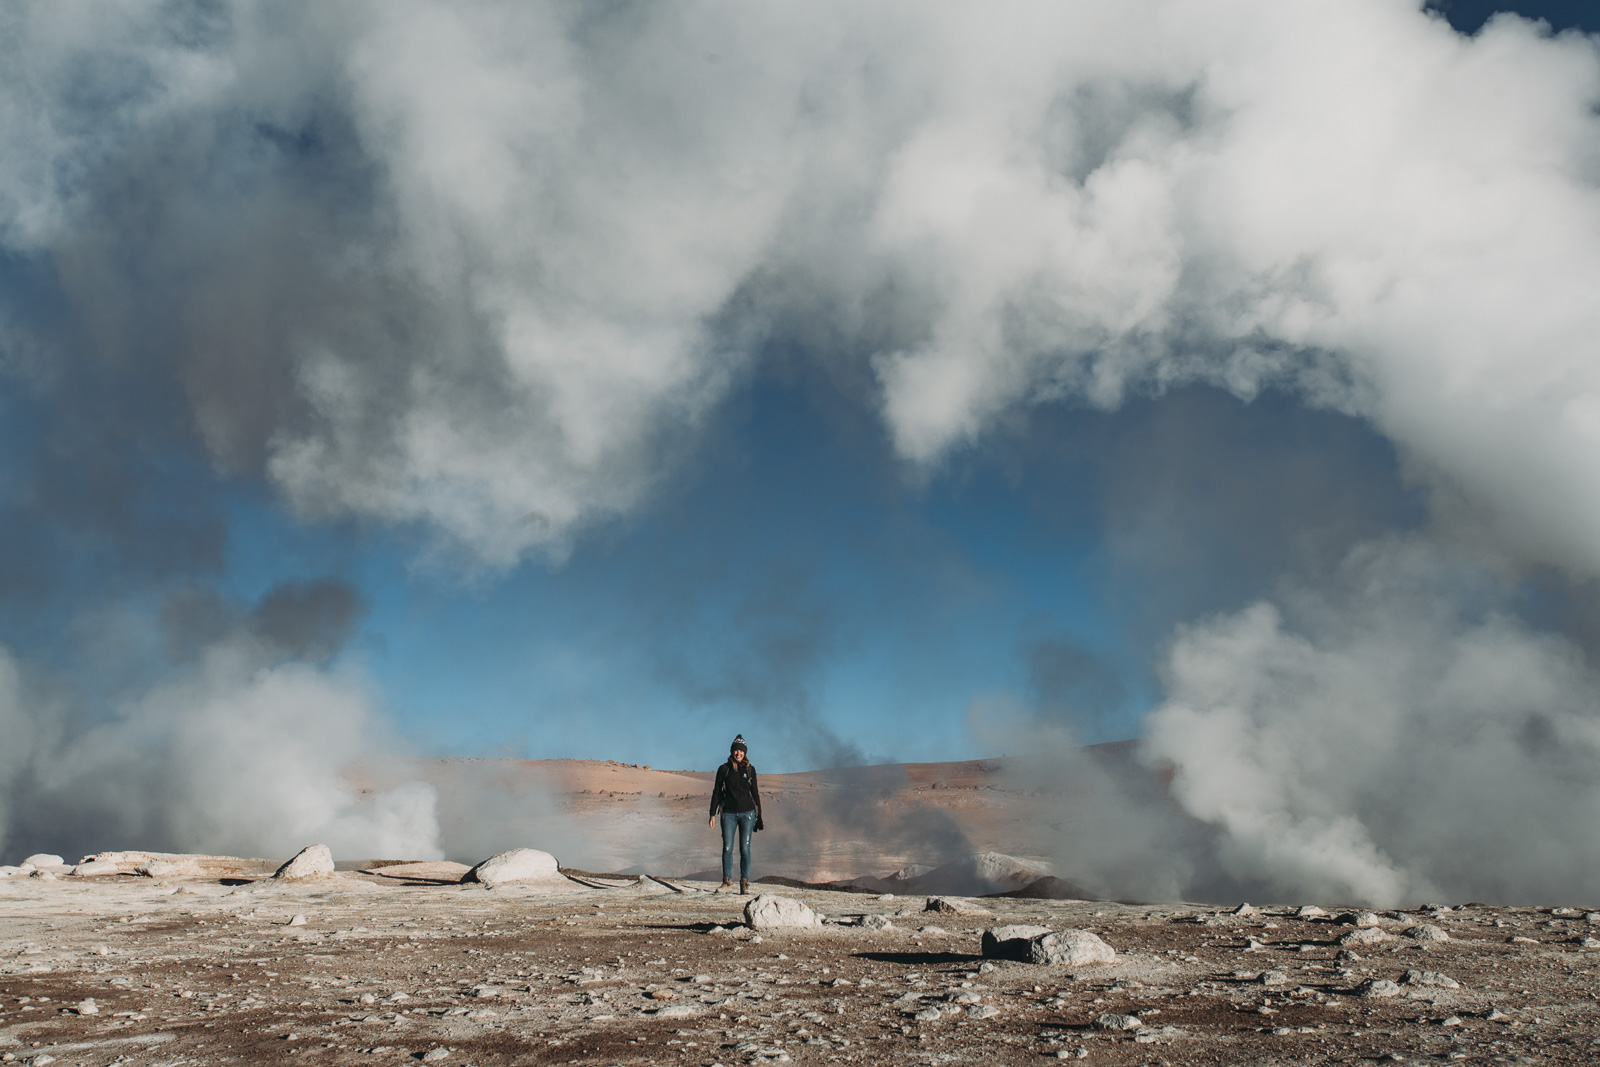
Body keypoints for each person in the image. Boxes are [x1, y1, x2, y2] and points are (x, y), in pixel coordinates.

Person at [708, 734, 763, 893]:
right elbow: (717, 792)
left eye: (741, 750)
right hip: (728, 814)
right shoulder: (724, 769)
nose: (738, 753)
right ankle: (727, 883)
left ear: (745, 752)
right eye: (736, 750)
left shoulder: (750, 770)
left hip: (747, 814)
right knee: (727, 848)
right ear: (732, 751)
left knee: (745, 849)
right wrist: (712, 813)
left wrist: (759, 816)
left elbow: (755, 793)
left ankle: (744, 883)